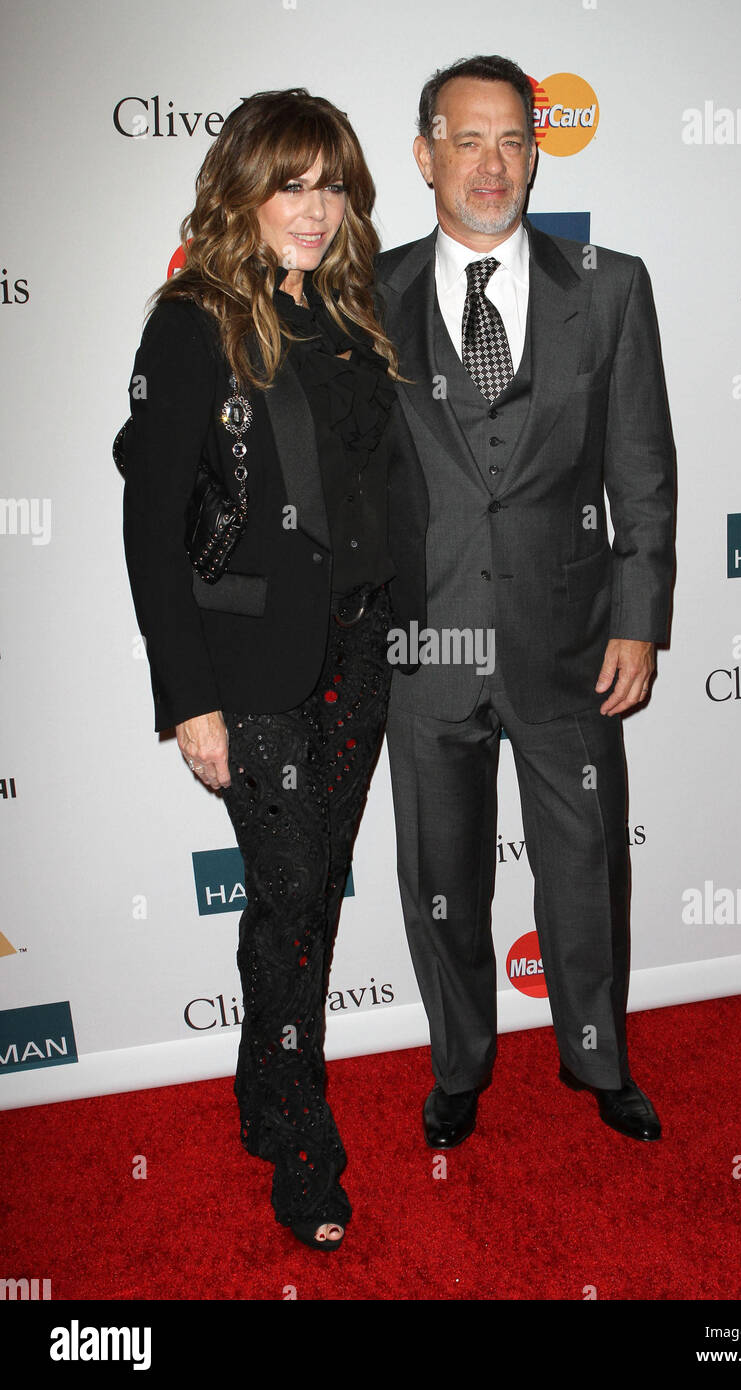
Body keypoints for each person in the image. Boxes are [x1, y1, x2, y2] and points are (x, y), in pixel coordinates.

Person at [122, 88, 426, 1248]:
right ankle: (302, 1134)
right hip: (248, 665)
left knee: (301, 896)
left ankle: (263, 1088)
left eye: (332, 182)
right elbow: (151, 525)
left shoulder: (351, 314)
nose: (314, 207)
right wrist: (185, 695)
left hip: (358, 648)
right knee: (295, 893)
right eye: (290, 181)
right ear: (241, 189)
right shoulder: (193, 323)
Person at [376, 55, 676, 1150]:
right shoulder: (366, 296)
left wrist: (639, 615)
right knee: (440, 882)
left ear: (534, 154)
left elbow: (640, 466)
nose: (489, 163)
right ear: (425, 156)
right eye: (465, 139)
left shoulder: (608, 286)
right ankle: (459, 1065)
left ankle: (597, 1059)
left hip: (570, 646)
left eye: (510, 139)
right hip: (425, 647)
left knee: (586, 871)